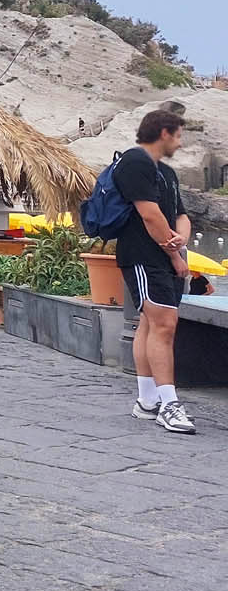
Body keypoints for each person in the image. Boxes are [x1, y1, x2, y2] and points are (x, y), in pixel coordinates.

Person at [117, 109, 194, 433]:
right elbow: (149, 216)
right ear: (164, 133)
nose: (180, 142)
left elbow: (180, 214)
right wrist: (176, 256)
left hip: (162, 255)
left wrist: (181, 238)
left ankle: (147, 401)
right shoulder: (134, 163)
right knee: (165, 324)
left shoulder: (167, 173)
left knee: (150, 323)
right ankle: (169, 403)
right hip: (143, 256)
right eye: (178, 135)